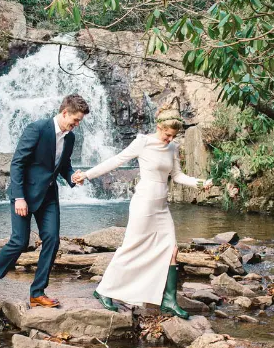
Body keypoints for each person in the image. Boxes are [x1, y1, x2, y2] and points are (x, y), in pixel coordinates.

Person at [72, 99, 212, 318]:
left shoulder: (172, 147)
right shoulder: (143, 142)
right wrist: (86, 174)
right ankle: (103, 290)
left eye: (174, 136)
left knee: (171, 249)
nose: (170, 139)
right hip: (144, 203)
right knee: (131, 247)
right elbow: (116, 161)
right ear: (159, 127)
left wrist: (199, 182)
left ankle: (168, 300)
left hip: (161, 206)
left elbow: (176, 175)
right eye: (167, 135)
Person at [0, 94, 90, 308]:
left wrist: (73, 177)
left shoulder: (70, 138)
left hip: (48, 196)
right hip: (24, 194)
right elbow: (18, 163)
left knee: (52, 240)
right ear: (64, 112)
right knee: (19, 242)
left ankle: (37, 293)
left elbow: (63, 165)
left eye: (79, 122)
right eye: (75, 120)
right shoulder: (37, 129)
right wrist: (19, 197)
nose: (76, 125)